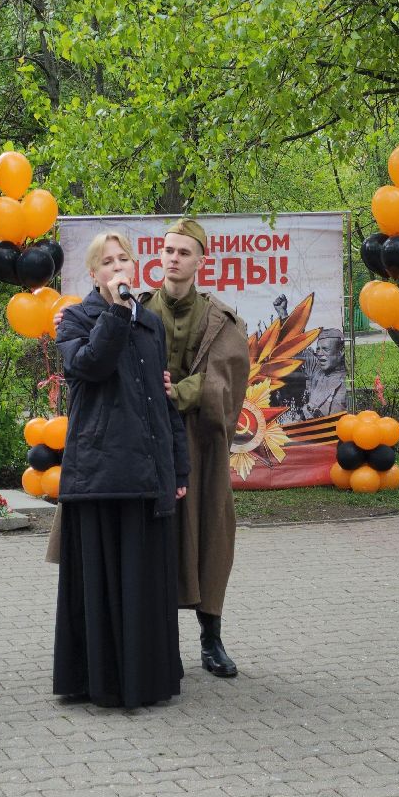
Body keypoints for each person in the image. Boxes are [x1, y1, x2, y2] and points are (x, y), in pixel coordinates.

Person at [52, 232, 188, 708]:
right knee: (105, 579)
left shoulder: (150, 323)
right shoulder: (74, 319)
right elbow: (89, 365)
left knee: (145, 580)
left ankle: (148, 680)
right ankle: (101, 682)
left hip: (147, 470)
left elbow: (161, 399)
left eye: (122, 259)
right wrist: (113, 313)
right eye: (105, 262)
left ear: (135, 265)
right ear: (93, 274)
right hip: (99, 472)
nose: (116, 268)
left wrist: (179, 469)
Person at [140, 219, 252, 678]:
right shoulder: (139, 310)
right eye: (168, 250)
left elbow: (228, 378)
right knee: (153, 538)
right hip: (148, 441)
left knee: (210, 536)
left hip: (201, 444)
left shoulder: (220, 319)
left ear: (201, 261)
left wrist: (180, 392)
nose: (174, 258)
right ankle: (155, 641)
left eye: (184, 252)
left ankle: (212, 640)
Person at [291, 330, 348, 420]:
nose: (320, 354)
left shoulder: (348, 382)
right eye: (318, 349)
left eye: (326, 349)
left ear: (340, 352)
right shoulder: (317, 371)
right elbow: (297, 348)